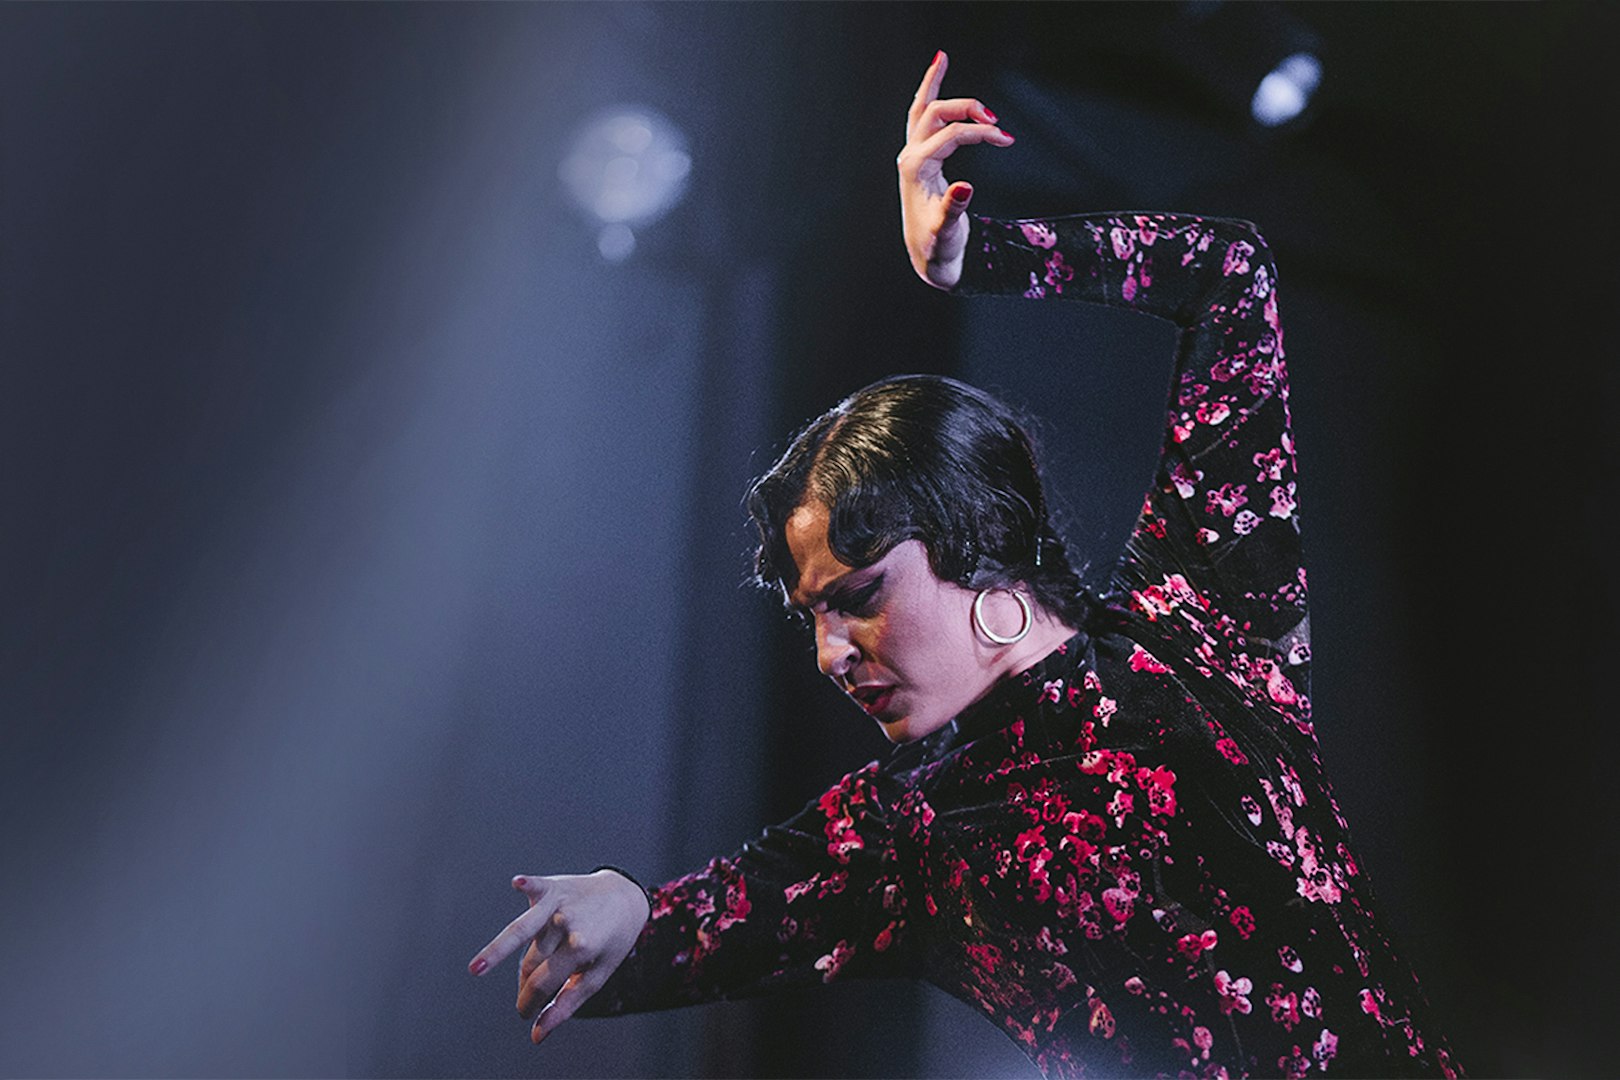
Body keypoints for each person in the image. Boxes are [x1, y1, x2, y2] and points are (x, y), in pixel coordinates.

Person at [469, 52, 1460, 1078]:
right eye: (811, 615)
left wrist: (980, 257)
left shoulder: (1206, 621)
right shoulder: (907, 835)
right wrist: (628, 905)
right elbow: (698, 924)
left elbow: (1228, 274)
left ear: (972, 539)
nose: (829, 653)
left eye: (855, 598)